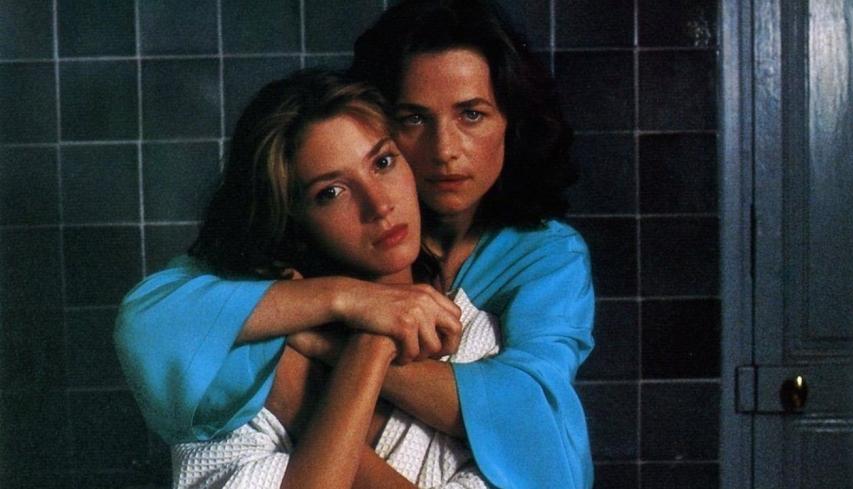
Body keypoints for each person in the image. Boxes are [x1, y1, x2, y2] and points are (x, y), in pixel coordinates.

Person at [115, 1, 595, 487]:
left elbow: (537, 432)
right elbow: (156, 319)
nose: (445, 151)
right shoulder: (255, 325)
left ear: (513, 119)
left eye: (471, 114)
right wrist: (350, 302)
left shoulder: (536, 268)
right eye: (414, 119)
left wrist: (331, 350)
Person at [162, 69, 496, 488]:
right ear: (291, 222)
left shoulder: (478, 340)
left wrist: (320, 391)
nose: (379, 205)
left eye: (383, 162)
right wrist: (370, 344)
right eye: (331, 192)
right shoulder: (242, 370)